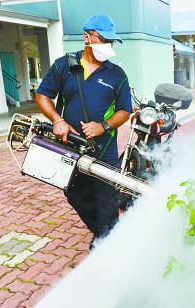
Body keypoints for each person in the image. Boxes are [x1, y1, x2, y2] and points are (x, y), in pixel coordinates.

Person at [35, 13, 132, 248]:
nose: (107, 46)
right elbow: (42, 95)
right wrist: (57, 119)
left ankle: (107, 245)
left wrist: (103, 127)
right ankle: (104, 234)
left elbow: (124, 111)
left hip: (105, 148)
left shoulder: (117, 75)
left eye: (111, 41)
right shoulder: (64, 65)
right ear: (86, 37)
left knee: (106, 198)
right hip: (70, 146)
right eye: (103, 39)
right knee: (75, 193)